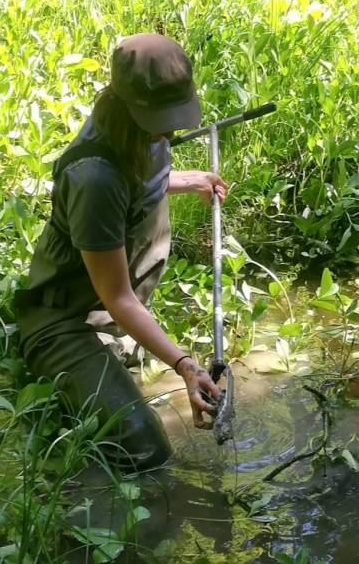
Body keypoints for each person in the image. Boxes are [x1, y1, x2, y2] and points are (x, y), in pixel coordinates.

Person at [14, 33, 224, 472]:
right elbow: (119, 297)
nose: (170, 129)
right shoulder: (95, 179)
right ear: (130, 108)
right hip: (66, 323)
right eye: (161, 120)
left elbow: (142, 179)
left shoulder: (141, 134)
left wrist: (187, 179)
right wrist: (184, 364)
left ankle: (119, 351)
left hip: (111, 312)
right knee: (146, 450)